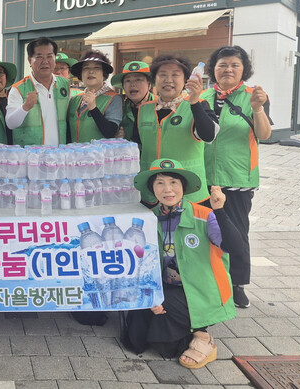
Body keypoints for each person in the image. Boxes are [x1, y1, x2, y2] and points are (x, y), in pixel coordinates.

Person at [124, 159, 240, 368]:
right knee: (134, 340)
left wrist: (220, 210)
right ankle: (185, 329)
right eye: (160, 183)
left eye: (173, 182)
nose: (167, 189)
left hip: (201, 290)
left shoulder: (204, 215)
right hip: (166, 286)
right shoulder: (149, 219)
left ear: (183, 186)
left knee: (165, 348)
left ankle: (203, 337)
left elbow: (235, 246)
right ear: (152, 188)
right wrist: (150, 296)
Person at [201, 45, 272, 309]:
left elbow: (264, 135)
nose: (228, 70)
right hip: (203, 176)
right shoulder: (203, 96)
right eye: (222, 65)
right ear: (214, 69)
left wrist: (258, 109)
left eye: (234, 65)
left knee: (237, 233)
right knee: (204, 230)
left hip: (237, 177)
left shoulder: (255, 96)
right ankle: (210, 280)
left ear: (244, 69)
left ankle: (237, 284)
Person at [134, 54, 219, 205]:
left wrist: (194, 102)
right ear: (154, 80)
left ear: (186, 80)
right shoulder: (143, 109)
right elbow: (138, 146)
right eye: (162, 75)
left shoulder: (199, 104)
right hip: (152, 192)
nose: (168, 80)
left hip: (188, 193)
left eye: (175, 75)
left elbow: (209, 135)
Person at [6, 37, 70, 146]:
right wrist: (25, 107)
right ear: (30, 60)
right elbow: (10, 123)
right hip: (30, 154)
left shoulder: (64, 84)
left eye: (49, 56)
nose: (45, 61)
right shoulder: (18, 89)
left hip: (59, 153)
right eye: (39, 57)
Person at [67, 50, 122, 141]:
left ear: (104, 74)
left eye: (97, 68)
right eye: (86, 68)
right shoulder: (75, 99)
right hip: (74, 150)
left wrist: (93, 108)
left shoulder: (113, 98)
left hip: (100, 150)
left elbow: (110, 132)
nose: (91, 72)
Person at [111, 61, 155, 141]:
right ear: (123, 86)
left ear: (149, 85)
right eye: (128, 81)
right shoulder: (119, 108)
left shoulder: (161, 106)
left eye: (138, 80)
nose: (132, 84)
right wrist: (117, 137)